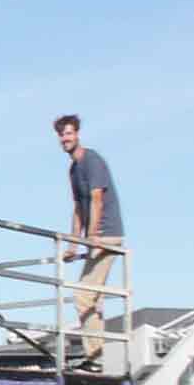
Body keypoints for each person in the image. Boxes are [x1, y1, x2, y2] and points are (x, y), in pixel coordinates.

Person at [55, 114, 124, 332]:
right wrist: (73, 245)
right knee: (92, 298)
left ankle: (96, 357)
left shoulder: (91, 160)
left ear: (77, 134)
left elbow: (96, 199)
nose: (65, 138)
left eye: (68, 133)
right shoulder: (74, 169)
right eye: (61, 135)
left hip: (106, 236)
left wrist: (92, 236)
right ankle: (99, 357)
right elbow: (78, 208)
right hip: (95, 239)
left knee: (83, 295)